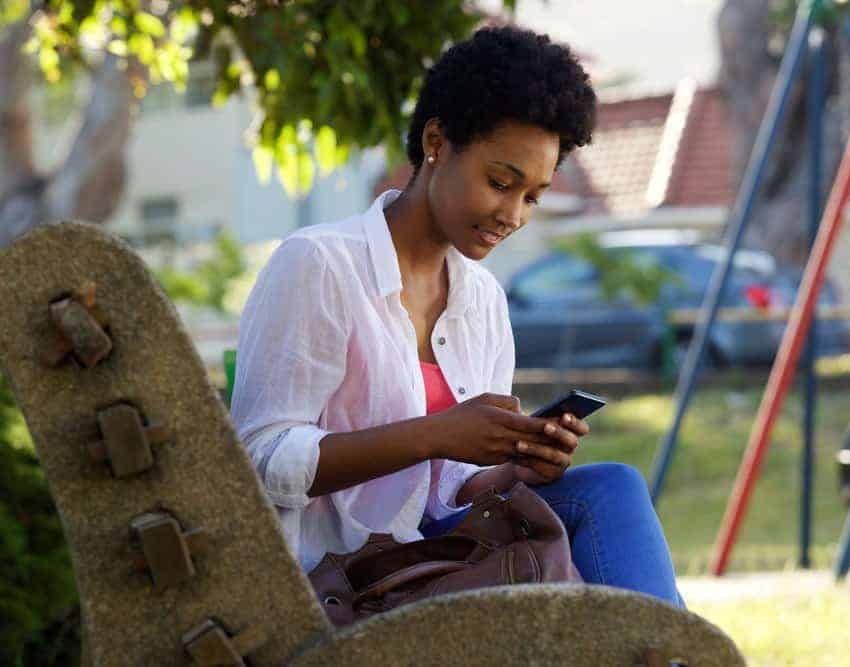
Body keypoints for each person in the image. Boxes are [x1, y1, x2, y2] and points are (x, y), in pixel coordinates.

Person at [231, 25, 683, 607]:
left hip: (443, 556)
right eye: (500, 182)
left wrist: (515, 468)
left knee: (610, 486)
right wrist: (433, 435)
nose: (513, 214)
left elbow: (447, 492)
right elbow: (259, 460)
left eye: (533, 196)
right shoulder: (320, 265)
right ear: (437, 141)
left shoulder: (483, 302)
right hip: (342, 579)